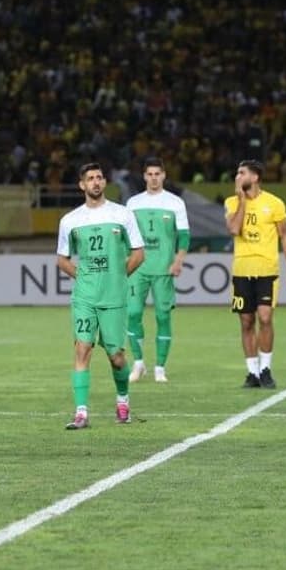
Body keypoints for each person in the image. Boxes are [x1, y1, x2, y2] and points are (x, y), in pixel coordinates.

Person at [56, 162, 145, 429]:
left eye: (99, 177)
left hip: (114, 297)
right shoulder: (70, 220)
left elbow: (139, 253)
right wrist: (82, 278)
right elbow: (62, 259)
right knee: (82, 348)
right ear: (82, 185)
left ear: (104, 183)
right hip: (84, 297)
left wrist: (118, 278)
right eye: (90, 179)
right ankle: (81, 412)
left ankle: (122, 400)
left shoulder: (122, 214)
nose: (95, 182)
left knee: (116, 356)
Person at [224, 159, 286, 388]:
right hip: (242, 270)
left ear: (254, 177)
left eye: (242, 172)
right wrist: (242, 201)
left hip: (267, 270)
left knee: (265, 318)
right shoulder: (231, 202)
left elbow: (285, 237)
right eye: (237, 172)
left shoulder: (274, 203)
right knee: (246, 321)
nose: (237, 176)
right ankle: (252, 372)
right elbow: (235, 229)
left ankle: (266, 368)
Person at [125, 157, 190, 383]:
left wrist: (179, 260)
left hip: (164, 269)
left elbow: (184, 235)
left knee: (163, 316)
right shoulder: (133, 203)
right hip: (138, 269)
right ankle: (139, 363)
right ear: (144, 176)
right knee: (132, 313)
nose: (153, 178)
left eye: (157, 174)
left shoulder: (175, 203)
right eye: (149, 174)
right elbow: (126, 237)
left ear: (164, 175)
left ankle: (160, 367)